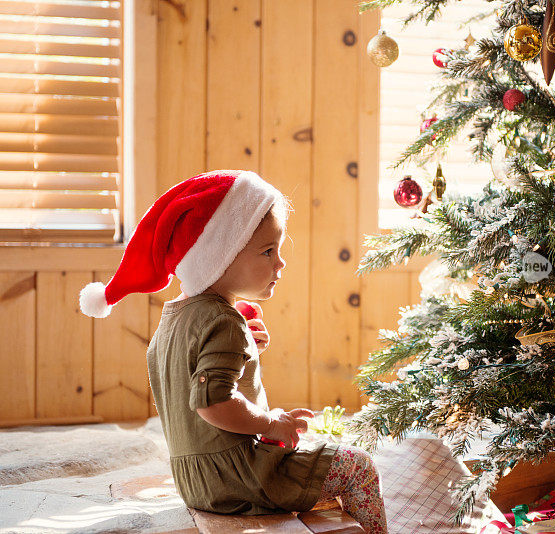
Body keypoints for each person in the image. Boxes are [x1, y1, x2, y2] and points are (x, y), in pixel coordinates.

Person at [79, 170, 388, 533]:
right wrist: (270, 422)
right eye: (268, 251)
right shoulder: (224, 322)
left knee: (317, 452)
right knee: (359, 466)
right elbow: (211, 404)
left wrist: (246, 351)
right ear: (218, 256)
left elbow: (193, 372)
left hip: (194, 479)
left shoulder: (173, 317)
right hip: (238, 476)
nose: (281, 262)